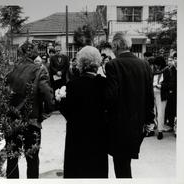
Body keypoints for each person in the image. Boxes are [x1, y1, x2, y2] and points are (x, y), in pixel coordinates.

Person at [105, 32, 155, 178]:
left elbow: (110, 97)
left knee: (121, 166)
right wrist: (149, 121)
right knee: (125, 164)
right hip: (137, 123)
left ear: (115, 45)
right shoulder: (144, 64)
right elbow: (149, 95)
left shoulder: (112, 65)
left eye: (112, 46)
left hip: (119, 124)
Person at [5, 41, 54, 178]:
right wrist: (44, 114)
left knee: (12, 159)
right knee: (32, 160)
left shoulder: (10, 70)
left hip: (11, 121)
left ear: (20, 53)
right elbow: (48, 97)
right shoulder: (39, 70)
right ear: (35, 55)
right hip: (32, 121)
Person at [59, 46, 108, 178]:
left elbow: (66, 111)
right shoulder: (104, 84)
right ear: (97, 63)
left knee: (77, 172)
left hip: (77, 137)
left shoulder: (72, 85)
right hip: (98, 137)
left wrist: (60, 100)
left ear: (81, 63)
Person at [152, 56, 171, 139]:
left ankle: (160, 131)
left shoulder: (167, 71)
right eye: (155, 65)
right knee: (152, 112)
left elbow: (170, 84)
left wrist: (161, 86)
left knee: (160, 113)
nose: (156, 66)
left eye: (157, 65)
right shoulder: (154, 71)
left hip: (161, 94)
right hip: (153, 93)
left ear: (161, 64)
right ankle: (151, 129)